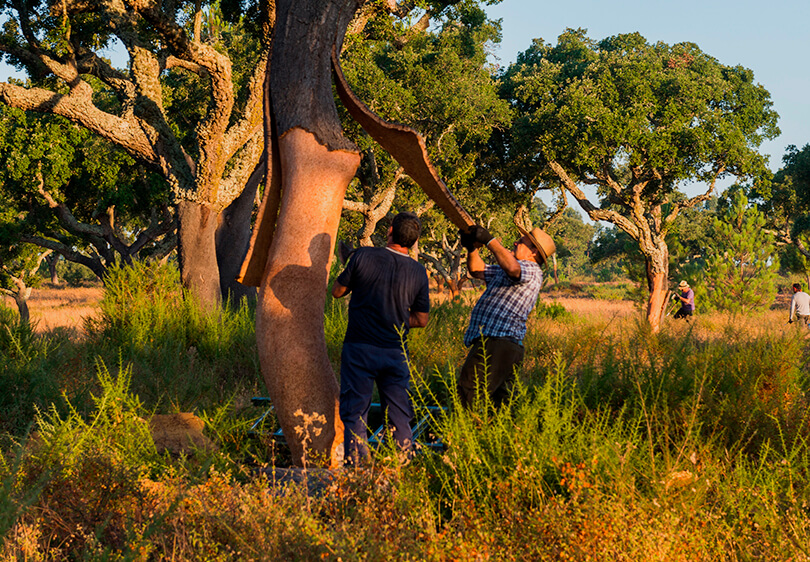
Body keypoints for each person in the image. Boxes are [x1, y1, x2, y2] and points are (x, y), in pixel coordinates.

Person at [331, 212, 430, 464]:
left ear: (389, 231)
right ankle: (401, 466)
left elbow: (337, 291)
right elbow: (420, 320)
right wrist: (395, 317)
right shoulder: (419, 272)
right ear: (414, 242)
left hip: (359, 348)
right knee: (399, 414)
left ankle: (359, 470)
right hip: (395, 353)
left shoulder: (363, 255)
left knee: (355, 412)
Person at [457, 223, 555, 409]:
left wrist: (489, 241)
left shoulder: (531, 270)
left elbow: (513, 269)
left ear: (533, 252)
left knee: (469, 395)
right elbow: (477, 270)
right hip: (500, 345)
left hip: (498, 344)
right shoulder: (509, 268)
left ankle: (460, 434)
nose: (516, 244)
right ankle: (491, 435)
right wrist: (472, 249)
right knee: (498, 404)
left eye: (521, 242)